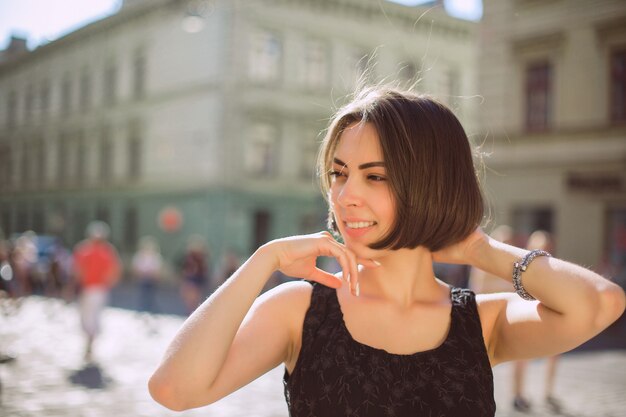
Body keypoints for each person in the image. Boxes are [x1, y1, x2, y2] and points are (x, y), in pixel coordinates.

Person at [149, 87, 625, 416]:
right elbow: (174, 389)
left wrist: (481, 249)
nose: (345, 194)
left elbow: (601, 303)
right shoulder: (300, 311)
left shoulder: (480, 324)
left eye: (374, 176)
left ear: (431, 186)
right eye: (339, 173)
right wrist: (264, 260)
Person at [73, 221, 121, 361]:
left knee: (87, 317)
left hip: (87, 288)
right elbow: (115, 272)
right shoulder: (108, 251)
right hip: (100, 289)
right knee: (95, 316)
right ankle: (91, 343)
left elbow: (77, 271)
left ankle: (89, 343)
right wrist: (107, 283)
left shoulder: (83, 250)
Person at [131, 236, 163, 315]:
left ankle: (152, 310)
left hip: (151, 279)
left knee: (151, 295)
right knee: (143, 295)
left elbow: (158, 269)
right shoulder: (139, 256)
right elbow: (136, 267)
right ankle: (142, 310)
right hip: (143, 278)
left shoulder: (155, 257)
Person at [179, 236, 210, 314]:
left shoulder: (201, 258)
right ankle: (190, 310)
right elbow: (183, 267)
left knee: (194, 297)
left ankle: (193, 311)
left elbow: (203, 270)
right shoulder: (189, 257)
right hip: (190, 279)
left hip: (196, 279)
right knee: (189, 296)